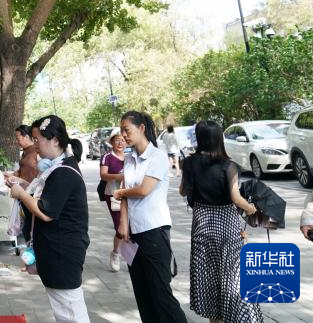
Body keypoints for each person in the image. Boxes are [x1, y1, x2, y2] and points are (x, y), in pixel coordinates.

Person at [6, 115, 90, 323]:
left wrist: (21, 193)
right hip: (54, 250)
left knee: (71, 313)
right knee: (65, 311)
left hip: (62, 251)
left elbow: (45, 211)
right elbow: (44, 197)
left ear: (55, 140)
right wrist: (23, 185)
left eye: (37, 139)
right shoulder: (56, 168)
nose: (35, 144)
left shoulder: (64, 172)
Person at [179, 120, 262, 323]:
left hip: (201, 223)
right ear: (219, 139)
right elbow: (236, 198)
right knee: (233, 276)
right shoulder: (228, 165)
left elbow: (182, 191)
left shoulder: (188, 163)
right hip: (226, 223)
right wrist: (251, 208)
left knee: (209, 275)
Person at [113, 111, 188, 323]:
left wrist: (121, 192)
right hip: (133, 233)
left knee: (160, 293)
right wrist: (123, 223)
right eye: (121, 131)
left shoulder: (157, 156)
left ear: (142, 128)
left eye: (127, 130)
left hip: (154, 230)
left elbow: (143, 190)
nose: (123, 135)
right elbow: (126, 193)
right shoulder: (129, 158)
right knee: (142, 292)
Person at [99, 129, 125, 272]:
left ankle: (131, 256)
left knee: (132, 226)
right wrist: (118, 177)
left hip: (131, 194)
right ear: (112, 142)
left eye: (123, 140)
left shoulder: (131, 157)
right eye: (117, 140)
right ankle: (115, 253)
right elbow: (103, 175)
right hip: (114, 194)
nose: (120, 143)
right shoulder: (107, 157)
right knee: (119, 226)